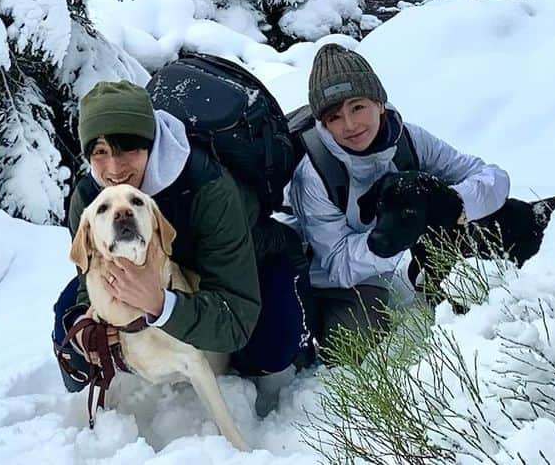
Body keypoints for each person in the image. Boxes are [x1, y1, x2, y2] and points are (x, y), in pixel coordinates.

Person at [52, 80, 310, 412]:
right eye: (100, 152)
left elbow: (235, 317)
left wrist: (161, 305)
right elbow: (91, 271)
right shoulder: (90, 199)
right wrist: (92, 324)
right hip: (164, 274)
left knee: (269, 349)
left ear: (151, 143)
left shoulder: (208, 186)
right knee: (68, 329)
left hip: (243, 265)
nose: (114, 169)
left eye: (129, 147)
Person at [289, 44, 510, 349]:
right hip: (325, 277)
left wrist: (454, 204)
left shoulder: (409, 140)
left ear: (379, 103)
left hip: (377, 259)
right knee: (353, 344)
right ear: (323, 124)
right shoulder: (314, 172)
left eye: (357, 107)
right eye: (334, 117)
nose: (350, 125)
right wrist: (400, 234)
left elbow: (492, 178)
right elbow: (336, 263)